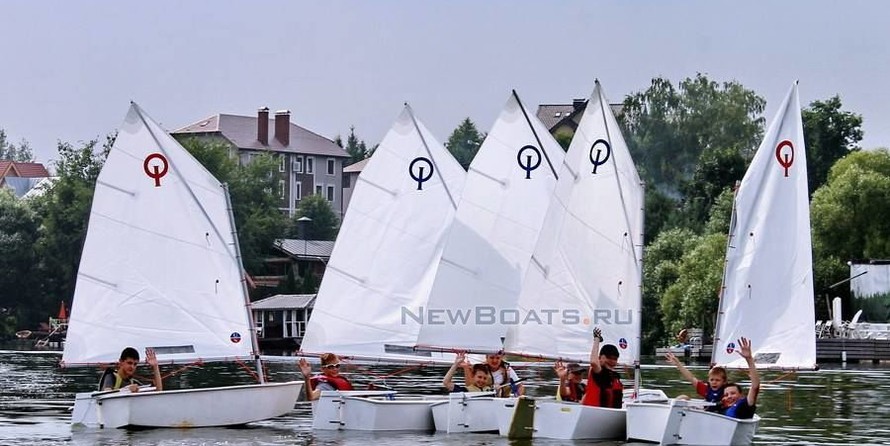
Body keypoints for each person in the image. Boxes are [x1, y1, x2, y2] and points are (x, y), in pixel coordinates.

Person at [581, 327, 624, 408]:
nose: (612, 361)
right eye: (609, 358)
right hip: (595, 412)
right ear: (600, 358)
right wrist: (597, 339)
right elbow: (593, 362)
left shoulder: (615, 377)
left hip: (612, 413)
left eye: (615, 359)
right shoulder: (598, 371)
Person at [719, 337, 760, 419]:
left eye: (733, 393)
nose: (729, 396)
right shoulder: (721, 408)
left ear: (741, 396)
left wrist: (749, 359)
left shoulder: (744, 405)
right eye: (726, 395)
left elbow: (755, 386)